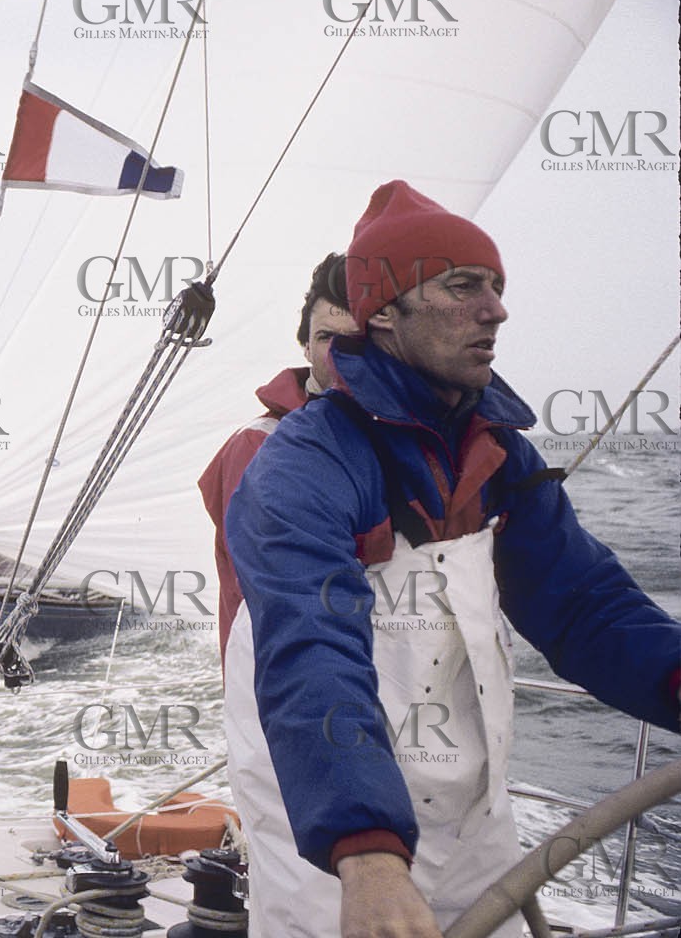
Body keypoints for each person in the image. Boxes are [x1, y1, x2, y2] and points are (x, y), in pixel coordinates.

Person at [221, 180, 681, 937]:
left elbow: (583, 606)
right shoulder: (302, 465)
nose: (495, 310)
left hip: (474, 813)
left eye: (497, 287)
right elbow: (309, 646)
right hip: (328, 825)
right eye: (464, 286)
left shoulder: (498, 454)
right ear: (383, 311)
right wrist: (365, 852)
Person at [197, 252, 356, 670]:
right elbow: (286, 589)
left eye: (356, 340)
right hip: (283, 686)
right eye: (326, 337)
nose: (339, 354)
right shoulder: (258, 445)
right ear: (305, 346)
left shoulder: (394, 442)